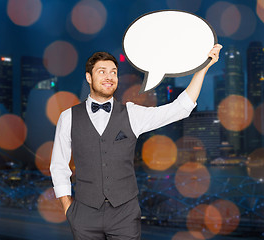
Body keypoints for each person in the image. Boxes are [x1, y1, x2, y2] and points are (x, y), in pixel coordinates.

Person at [49, 44, 222, 239]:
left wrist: (203, 68)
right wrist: (68, 208)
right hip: (84, 214)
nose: (109, 77)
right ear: (89, 77)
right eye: (102, 71)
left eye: (113, 72)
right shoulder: (68, 117)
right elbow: (59, 165)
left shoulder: (132, 113)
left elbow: (180, 108)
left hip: (125, 215)